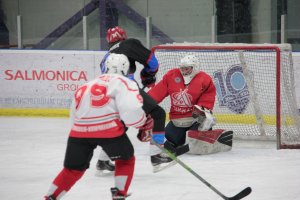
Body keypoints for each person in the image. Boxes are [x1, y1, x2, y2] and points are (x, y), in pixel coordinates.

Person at [44, 53, 153, 200]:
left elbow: (73, 114)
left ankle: (50, 197)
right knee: (125, 160)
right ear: (126, 69)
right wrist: (141, 123)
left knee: (72, 169)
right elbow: (131, 109)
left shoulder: (87, 84)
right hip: (109, 131)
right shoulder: (125, 82)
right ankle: (119, 195)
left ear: (105, 67)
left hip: (79, 132)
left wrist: (79, 133)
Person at [96, 26, 173, 174]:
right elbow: (153, 63)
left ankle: (103, 161)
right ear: (123, 36)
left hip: (110, 94)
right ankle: (156, 156)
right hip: (126, 89)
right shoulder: (128, 44)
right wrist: (147, 74)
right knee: (158, 114)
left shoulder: (106, 57)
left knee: (121, 125)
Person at [147, 54, 233, 156]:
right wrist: (145, 103)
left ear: (195, 67)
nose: (184, 71)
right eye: (182, 69)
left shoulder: (204, 79)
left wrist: (202, 109)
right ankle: (185, 138)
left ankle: (215, 138)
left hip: (196, 121)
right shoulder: (172, 76)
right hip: (178, 121)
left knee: (196, 146)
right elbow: (157, 92)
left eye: (187, 69)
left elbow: (208, 96)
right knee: (169, 140)